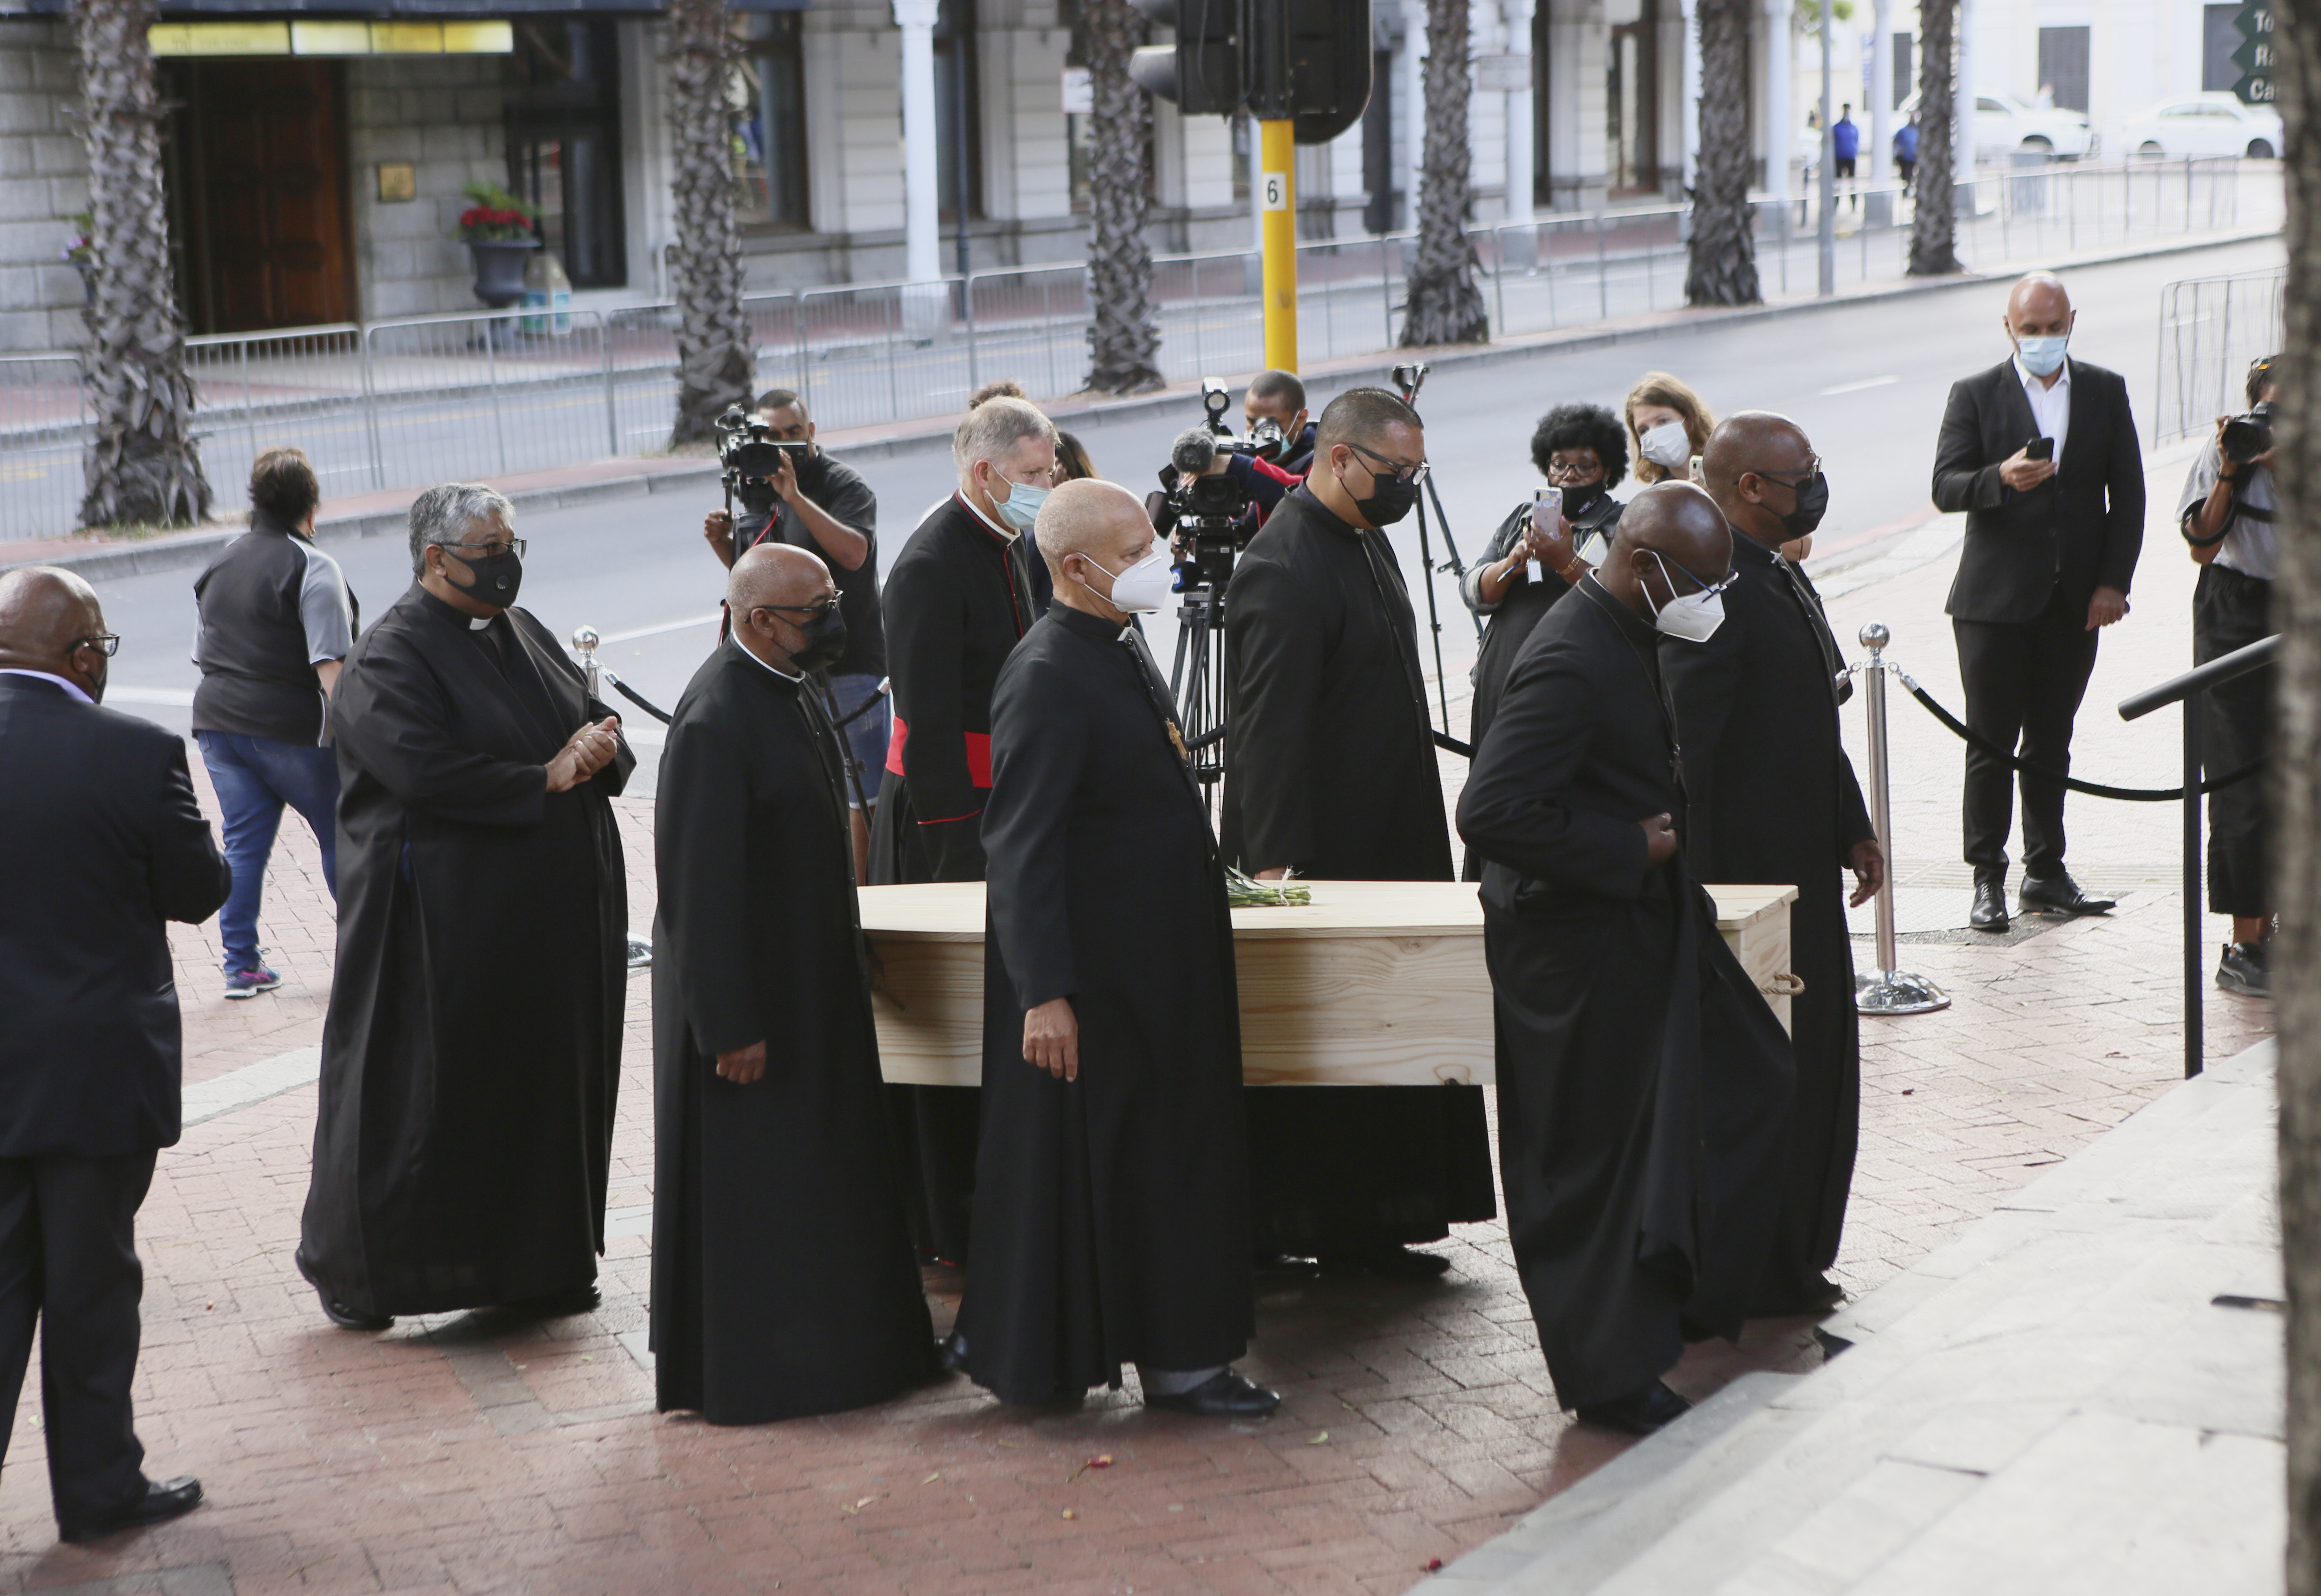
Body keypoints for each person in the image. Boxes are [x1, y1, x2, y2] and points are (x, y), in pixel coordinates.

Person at [1456, 484, 1795, 1436]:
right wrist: (1626, 846)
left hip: (1635, 926)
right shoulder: (1566, 657)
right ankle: (1609, 1374)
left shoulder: (1623, 627)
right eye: (1701, 583)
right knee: (1589, 1162)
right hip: (1570, 945)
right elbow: (1488, 813)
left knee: (1748, 1077)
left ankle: (1681, 1289)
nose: (1712, 602)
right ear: (1643, 566)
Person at [953, 480, 1276, 1418]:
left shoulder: (1113, 643)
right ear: (1077, 566)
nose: (1158, 560)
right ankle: (1179, 1366)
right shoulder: (1048, 669)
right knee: (1148, 1169)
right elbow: (1019, 845)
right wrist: (1044, 992)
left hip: (1158, 968)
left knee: (1169, 1160)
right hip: (1104, 981)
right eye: (1134, 549)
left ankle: (1180, 1354)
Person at [298, 483, 633, 1332]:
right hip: (440, 922)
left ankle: (539, 1266)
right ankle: (373, 1272)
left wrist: (602, 741)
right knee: (424, 1094)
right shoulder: (389, 655)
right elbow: (419, 769)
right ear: (435, 558)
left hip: (544, 918)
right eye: (489, 546)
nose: (505, 559)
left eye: (511, 541)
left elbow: (580, 713)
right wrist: (544, 777)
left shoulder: (519, 627)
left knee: (546, 1086)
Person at [649, 543, 935, 1423]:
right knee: (770, 1196)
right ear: (759, 620)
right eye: (815, 607)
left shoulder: (789, 684)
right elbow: (698, 890)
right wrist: (728, 1022)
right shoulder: (715, 720)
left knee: (831, 1178)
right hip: (758, 1006)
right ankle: (777, 1372)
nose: (834, 618)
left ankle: (858, 1351)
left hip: (813, 985)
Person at [1222, 386, 1498, 1277]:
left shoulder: (1364, 539)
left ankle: (1382, 1219)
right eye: (1395, 470)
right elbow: (1265, 732)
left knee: (1393, 1032)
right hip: (1326, 851)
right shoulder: (1281, 564)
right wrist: (1272, 869)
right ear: (1338, 459)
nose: (1407, 487)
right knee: (1335, 1043)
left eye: (1416, 471)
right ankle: (1326, 1227)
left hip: (1391, 828)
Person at [0, 567, 227, 1542]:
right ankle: (97, 1491)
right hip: (95, 1069)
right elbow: (198, 889)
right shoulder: (132, 751)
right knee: (93, 1288)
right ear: (81, 656)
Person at [1680, 412, 1884, 1316]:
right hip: (1752, 887)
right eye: (1798, 470)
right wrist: (1717, 900)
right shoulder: (1709, 587)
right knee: (1768, 1079)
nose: (1813, 481)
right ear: (1749, 489)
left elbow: (1810, 717)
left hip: (1804, 865)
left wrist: (1852, 824)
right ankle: (1759, 1265)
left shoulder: (1775, 572)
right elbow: (1691, 755)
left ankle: (1799, 1250)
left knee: (1821, 1072)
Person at [871, 394, 1059, 1264]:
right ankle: (950, 1215)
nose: (1046, 485)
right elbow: (930, 726)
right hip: (950, 824)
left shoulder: (1012, 543)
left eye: (1049, 470)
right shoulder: (928, 565)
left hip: (1006, 806)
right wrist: (962, 856)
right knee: (954, 1019)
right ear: (984, 473)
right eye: (1032, 474)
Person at [1932, 271, 2144, 931]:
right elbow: (1945, 484)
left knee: (2052, 739)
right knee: (1991, 742)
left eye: (2054, 328)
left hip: (2073, 600)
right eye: (2032, 329)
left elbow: (2128, 496)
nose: (2044, 340)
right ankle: (1987, 876)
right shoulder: (1975, 394)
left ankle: (2045, 873)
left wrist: (2113, 583)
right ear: (2009, 328)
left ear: (2072, 322)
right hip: (1992, 603)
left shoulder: (2105, 390)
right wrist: (2000, 476)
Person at [188, 446, 357, 998]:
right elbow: (331, 666)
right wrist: (365, 733)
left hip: (217, 724)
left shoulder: (223, 559)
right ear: (311, 502)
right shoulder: (314, 567)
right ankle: (364, 957)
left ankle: (241, 966)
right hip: (290, 731)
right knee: (343, 832)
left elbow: (204, 651)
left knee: (243, 843)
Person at [701, 390, 885, 878]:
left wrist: (795, 498)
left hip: (847, 663)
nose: (783, 445)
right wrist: (725, 547)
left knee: (860, 798)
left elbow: (853, 556)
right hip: (785, 665)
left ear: (811, 431)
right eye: (772, 435)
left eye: (792, 433)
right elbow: (761, 586)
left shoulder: (843, 484)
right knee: (802, 788)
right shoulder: (756, 487)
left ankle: (863, 901)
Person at [1459, 404, 1631, 882]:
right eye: (1559, 465)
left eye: (1584, 466)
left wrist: (1563, 559)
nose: (1570, 476)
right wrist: (1514, 560)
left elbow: (1620, 602)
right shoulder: (1522, 517)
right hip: (1500, 681)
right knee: (1492, 793)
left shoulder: (1622, 524)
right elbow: (1475, 590)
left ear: (1607, 470)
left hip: (1568, 689)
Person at [2177, 354, 2282, 997]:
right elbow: (2201, 543)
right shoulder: (2224, 455)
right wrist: (2231, 470)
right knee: (2241, 784)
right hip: (2235, 613)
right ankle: (2247, 942)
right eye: (2267, 410)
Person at [1624, 372, 1716, 487]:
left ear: (1689, 421)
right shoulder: (1657, 500)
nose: (1654, 434)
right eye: (1644, 431)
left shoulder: (1732, 467)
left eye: (1663, 421)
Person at [1245, 368, 1317, 473]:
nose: (1259, 433)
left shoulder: (1324, 460)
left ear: (1301, 419)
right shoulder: (1244, 453)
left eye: (1270, 425)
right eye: (1252, 422)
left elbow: (1302, 488)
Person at [1832, 103, 1860, 204]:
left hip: (1850, 157)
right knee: (1838, 183)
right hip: (1839, 157)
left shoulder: (1853, 128)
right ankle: (1836, 203)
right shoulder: (1837, 128)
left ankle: (1854, 203)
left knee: (1852, 182)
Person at [1894, 120, 1919, 191]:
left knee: (1910, 174)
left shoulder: (1917, 131)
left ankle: (1908, 188)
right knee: (1906, 174)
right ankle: (1905, 190)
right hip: (1904, 157)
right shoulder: (1903, 131)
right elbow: (1896, 142)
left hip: (1913, 157)